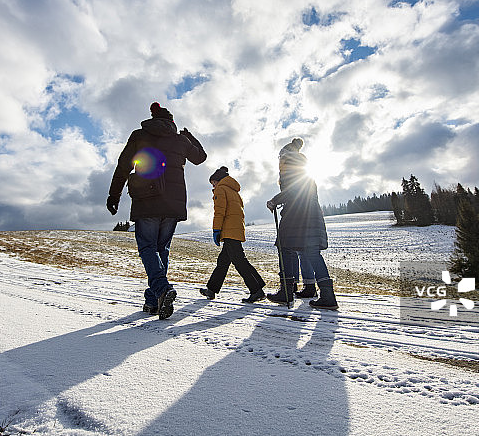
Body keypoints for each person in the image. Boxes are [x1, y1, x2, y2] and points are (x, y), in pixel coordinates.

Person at [107, 102, 207, 319]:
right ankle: (153, 301)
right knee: (161, 250)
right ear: (172, 122)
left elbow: (124, 165)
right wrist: (190, 137)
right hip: (173, 204)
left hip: (147, 200)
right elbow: (200, 158)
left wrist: (114, 195)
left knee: (147, 247)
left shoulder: (140, 135)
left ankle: (162, 290)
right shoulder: (180, 139)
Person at [265, 138, 338, 310]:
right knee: (312, 253)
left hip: (297, 218)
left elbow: (293, 191)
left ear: (284, 157)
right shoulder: (304, 170)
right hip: (310, 217)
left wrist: (274, 200)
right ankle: (327, 295)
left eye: (280, 158)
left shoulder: (290, 169)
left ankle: (286, 291)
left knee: (285, 249)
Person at [199, 166, 266, 303]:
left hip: (229, 231)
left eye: (213, 183)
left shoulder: (221, 189)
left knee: (239, 262)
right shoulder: (234, 191)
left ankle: (256, 290)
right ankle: (211, 289)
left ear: (218, 180)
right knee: (224, 261)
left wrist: (216, 230)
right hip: (236, 229)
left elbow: (219, 211)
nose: (213, 186)